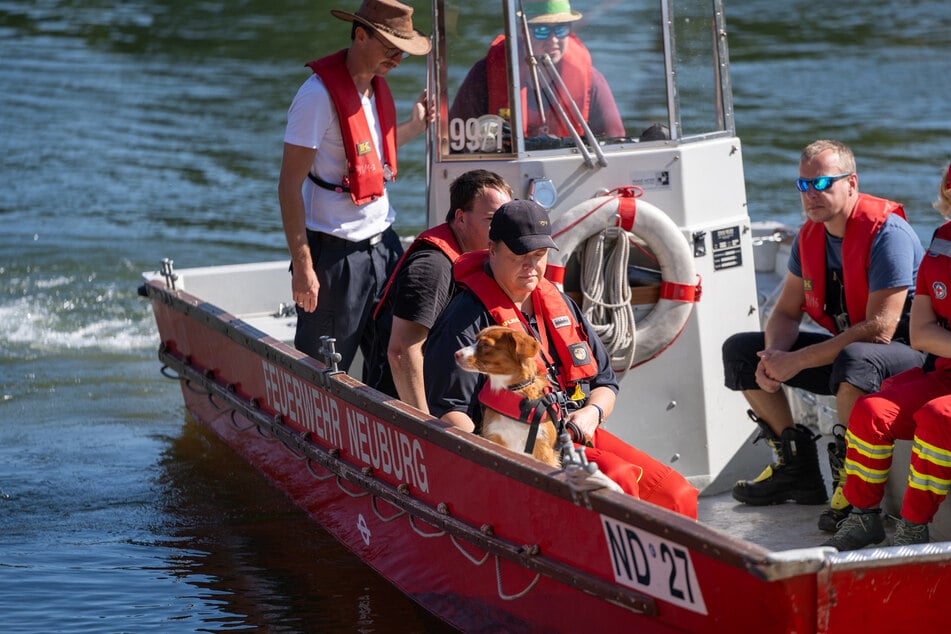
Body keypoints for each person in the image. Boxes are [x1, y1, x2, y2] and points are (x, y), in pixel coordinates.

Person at [423, 200, 698, 518]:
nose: (531, 267)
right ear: (492, 249)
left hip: (579, 430)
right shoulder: (465, 320)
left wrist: (590, 415)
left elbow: (605, 383)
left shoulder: (559, 303)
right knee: (618, 479)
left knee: (677, 494)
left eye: (538, 256)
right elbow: (451, 412)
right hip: (523, 447)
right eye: (518, 256)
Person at [721, 139, 927, 532]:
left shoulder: (888, 234)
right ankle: (797, 470)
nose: (811, 195)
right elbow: (785, 311)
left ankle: (853, 484)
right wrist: (773, 356)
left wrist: (796, 361)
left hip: (907, 357)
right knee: (742, 352)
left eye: (822, 184)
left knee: (856, 360)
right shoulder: (809, 237)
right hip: (855, 354)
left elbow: (881, 329)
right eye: (803, 185)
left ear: (852, 183)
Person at [277, 0, 432, 373]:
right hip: (335, 257)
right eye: (390, 49)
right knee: (324, 371)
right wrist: (303, 267)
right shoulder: (317, 97)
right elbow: (287, 187)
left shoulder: (375, 90)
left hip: (384, 247)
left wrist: (416, 125)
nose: (396, 60)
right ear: (360, 35)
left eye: (403, 53)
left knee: (391, 362)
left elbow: (371, 158)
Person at [823, 163, 951, 550]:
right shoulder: (941, 247)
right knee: (872, 410)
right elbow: (921, 333)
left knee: (937, 417)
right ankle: (864, 517)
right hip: (945, 373)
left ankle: (913, 526)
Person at [365, 170, 514, 410]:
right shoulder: (431, 268)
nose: (501, 230)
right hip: (415, 410)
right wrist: (426, 429)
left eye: (504, 221)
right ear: (461, 218)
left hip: (459, 394)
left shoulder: (480, 259)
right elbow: (402, 352)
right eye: (491, 220)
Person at [448, 0, 624, 140]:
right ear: (524, 31)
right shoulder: (483, 75)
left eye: (561, 29)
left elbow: (615, 143)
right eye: (542, 30)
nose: (553, 39)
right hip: (501, 178)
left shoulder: (591, 81)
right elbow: (454, 140)